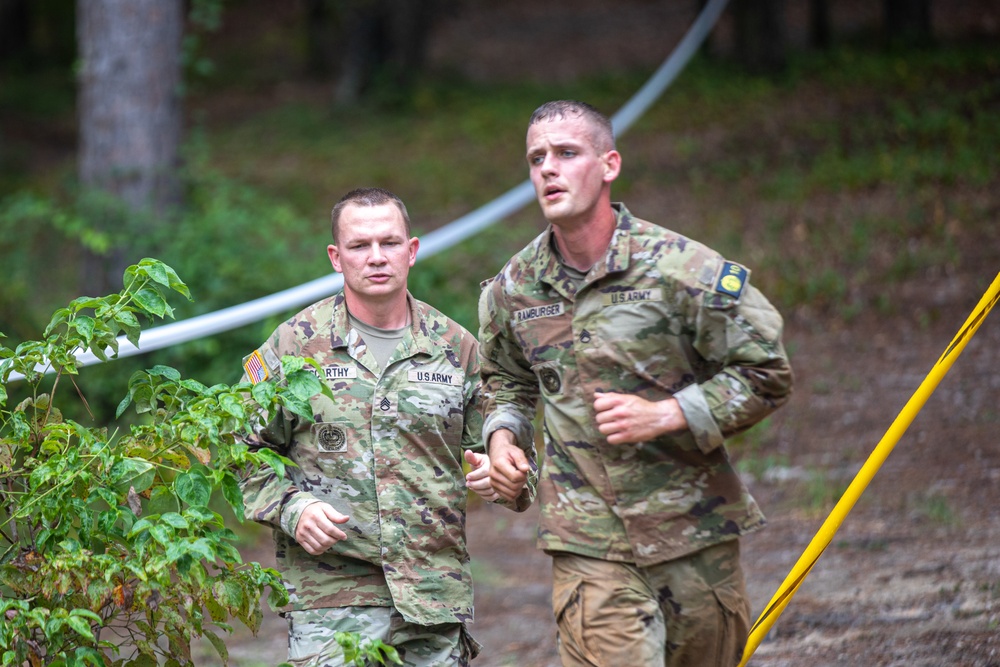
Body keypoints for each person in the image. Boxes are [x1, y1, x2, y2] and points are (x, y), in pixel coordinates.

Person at [478, 101, 794, 667]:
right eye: (536, 158)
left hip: (693, 531)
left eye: (567, 154)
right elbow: (505, 381)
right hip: (587, 541)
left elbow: (765, 372)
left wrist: (671, 413)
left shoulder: (681, 268)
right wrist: (503, 438)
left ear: (609, 165)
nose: (548, 169)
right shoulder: (513, 289)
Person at [240, 187, 501, 667]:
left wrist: (502, 471)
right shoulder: (295, 346)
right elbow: (237, 447)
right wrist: (290, 507)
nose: (377, 257)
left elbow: (507, 452)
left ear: (413, 250)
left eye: (390, 242)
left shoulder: (456, 346)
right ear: (336, 258)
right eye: (360, 246)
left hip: (432, 600)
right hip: (332, 600)